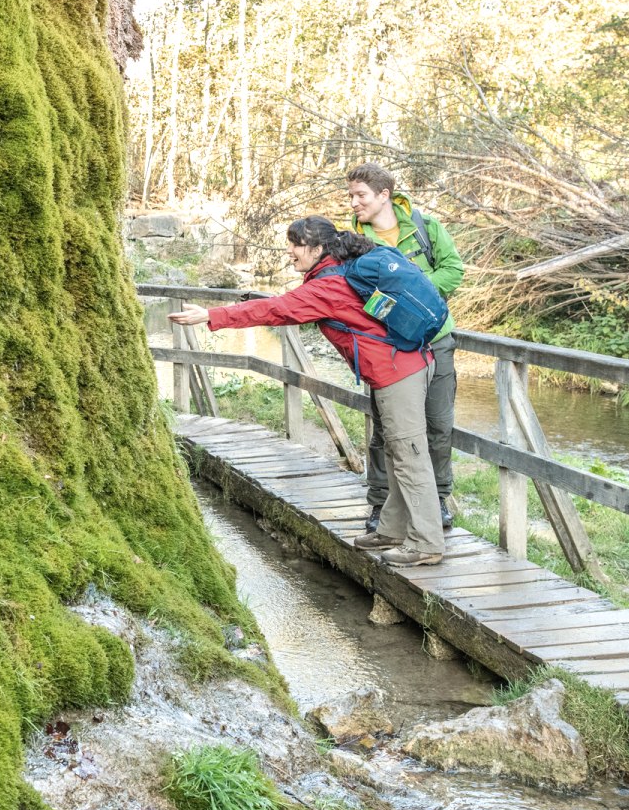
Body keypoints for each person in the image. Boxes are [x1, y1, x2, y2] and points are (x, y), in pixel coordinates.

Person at [169, 217, 444, 566]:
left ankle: (426, 544)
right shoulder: (341, 269)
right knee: (396, 452)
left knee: (409, 455)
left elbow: (275, 309)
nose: (289, 251)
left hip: (397, 372)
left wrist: (212, 314)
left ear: (317, 249)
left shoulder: (327, 287)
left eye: (295, 244)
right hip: (403, 364)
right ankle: (392, 529)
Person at [345, 163, 464, 533]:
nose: (353, 202)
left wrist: (414, 290)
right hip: (390, 347)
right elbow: (351, 293)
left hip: (436, 339)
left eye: (360, 195)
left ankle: (439, 500)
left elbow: (454, 269)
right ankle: (382, 505)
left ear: (384, 195)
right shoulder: (352, 243)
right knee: (386, 431)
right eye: (350, 195)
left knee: (439, 425)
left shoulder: (426, 228)